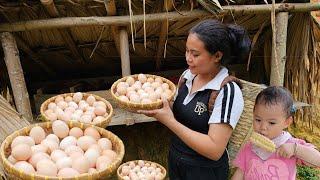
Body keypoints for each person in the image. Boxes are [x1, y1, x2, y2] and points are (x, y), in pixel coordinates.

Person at [138, 19, 251, 180]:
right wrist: (157, 107)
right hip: (177, 161)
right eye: (187, 51)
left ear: (217, 55)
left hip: (204, 172)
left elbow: (214, 150)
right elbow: (182, 112)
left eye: (195, 54)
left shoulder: (227, 92)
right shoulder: (188, 76)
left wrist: (169, 121)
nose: (188, 58)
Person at [231, 86, 320, 180]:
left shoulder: (290, 145)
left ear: (287, 122)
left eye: (271, 123)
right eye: (258, 120)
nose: (263, 127)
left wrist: (295, 149)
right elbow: (240, 172)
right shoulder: (249, 147)